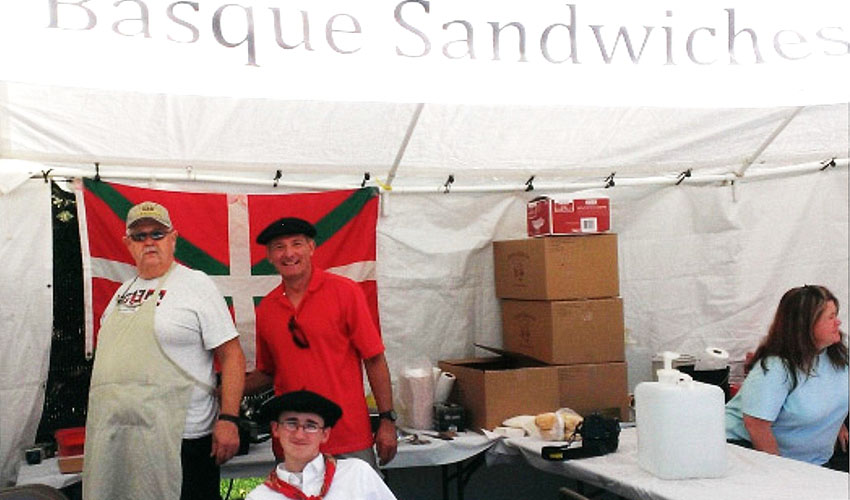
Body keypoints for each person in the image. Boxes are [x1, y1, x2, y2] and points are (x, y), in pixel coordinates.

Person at [83, 201, 246, 500]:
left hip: (183, 440)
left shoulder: (196, 284)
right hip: (124, 439)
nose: (149, 242)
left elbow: (232, 355)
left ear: (173, 238)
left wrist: (229, 419)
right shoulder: (121, 294)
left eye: (157, 234)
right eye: (140, 236)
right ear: (128, 244)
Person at [245, 217, 397, 470]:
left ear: (311, 248)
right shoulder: (267, 308)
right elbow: (268, 372)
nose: (289, 253)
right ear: (269, 256)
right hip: (294, 442)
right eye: (279, 247)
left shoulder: (345, 292)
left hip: (347, 436)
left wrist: (387, 420)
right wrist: (224, 391)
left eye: (297, 244)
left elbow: (374, 358)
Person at [725, 285, 849, 467]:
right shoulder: (775, 368)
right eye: (830, 317)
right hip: (746, 448)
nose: (837, 323)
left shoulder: (838, 354)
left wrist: (836, 421)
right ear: (807, 324)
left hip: (810, 460)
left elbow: (828, 391)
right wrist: (780, 473)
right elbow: (756, 425)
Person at [245, 390, 397, 500]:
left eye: (310, 426)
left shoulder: (356, 474)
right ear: (275, 429)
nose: (299, 434)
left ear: (325, 434)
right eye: (291, 424)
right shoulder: (260, 497)